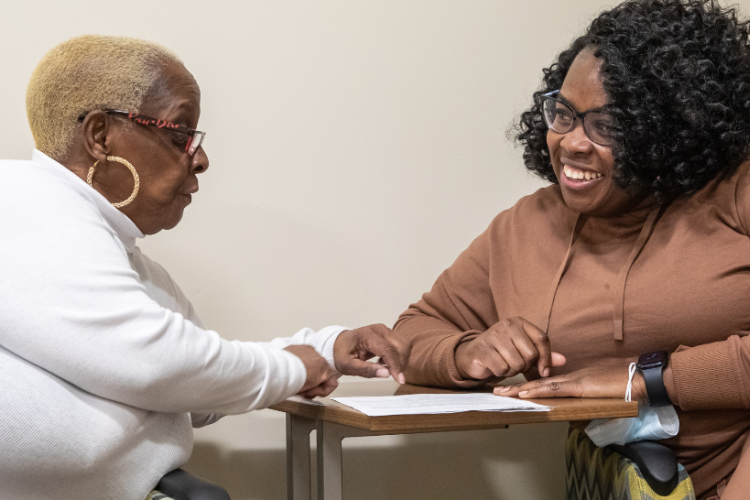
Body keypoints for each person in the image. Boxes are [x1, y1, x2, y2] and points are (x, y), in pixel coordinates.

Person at [372, 1, 750, 498]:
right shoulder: (524, 228)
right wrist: (468, 353)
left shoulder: (735, 192)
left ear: (671, 131)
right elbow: (414, 333)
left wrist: (644, 380)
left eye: (608, 126)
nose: (571, 143)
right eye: (564, 114)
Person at [0, 35, 401, 500]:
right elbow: (154, 364)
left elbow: (196, 385)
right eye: (179, 133)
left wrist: (323, 351)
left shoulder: (130, 263)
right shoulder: (22, 201)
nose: (201, 158)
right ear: (100, 137)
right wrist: (295, 366)